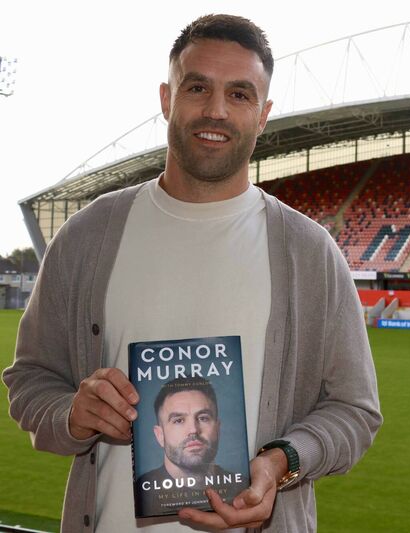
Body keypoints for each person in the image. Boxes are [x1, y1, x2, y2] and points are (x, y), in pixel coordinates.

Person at [3, 13, 381, 533]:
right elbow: (29, 380)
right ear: (166, 98)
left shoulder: (308, 252)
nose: (217, 110)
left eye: (241, 94)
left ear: (265, 113)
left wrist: (283, 461)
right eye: (198, 87)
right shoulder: (88, 236)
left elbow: (355, 411)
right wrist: (73, 413)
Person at [135, 377, 247, 518]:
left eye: (203, 418)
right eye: (179, 420)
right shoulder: (141, 493)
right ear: (160, 435)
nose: (193, 430)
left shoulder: (242, 488)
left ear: (218, 429)